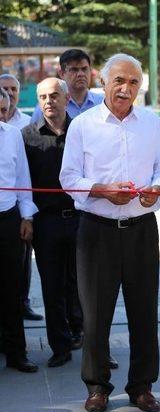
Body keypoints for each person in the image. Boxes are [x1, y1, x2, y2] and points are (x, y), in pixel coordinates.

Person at [60, 53, 160, 412]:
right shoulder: (82, 125)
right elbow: (69, 179)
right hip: (97, 232)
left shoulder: (152, 124)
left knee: (144, 312)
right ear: (103, 82)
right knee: (96, 315)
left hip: (142, 229)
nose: (126, 89)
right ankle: (97, 387)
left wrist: (156, 190)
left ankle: (142, 387)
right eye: (119, 81)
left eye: (134, 83)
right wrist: (101, 189)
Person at [23, 78, 83, 368]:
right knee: (52, 287)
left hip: (82, 219)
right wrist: (27, 219)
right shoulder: (27, 137)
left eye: (54, 95)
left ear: (66, 97)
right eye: (43, 97)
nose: (48, 101)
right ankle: (60, 346)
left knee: (87, 285)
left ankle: (92, 342)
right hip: (45, 223)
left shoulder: (83, 131)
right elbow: (23, 182)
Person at [0, 87, 39, 373]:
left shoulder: (12, 135)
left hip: (8, 218)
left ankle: (16, 353)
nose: (2, 115)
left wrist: (27, 217)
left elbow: (23, 178)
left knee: (12, 289)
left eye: (4, 110)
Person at [30, 49, 104, 123]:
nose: (80, 74)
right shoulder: (48, 107)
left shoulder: (103, 103)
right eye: (74, 70)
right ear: (62, 74)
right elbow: (31, 133)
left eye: (84, 69)